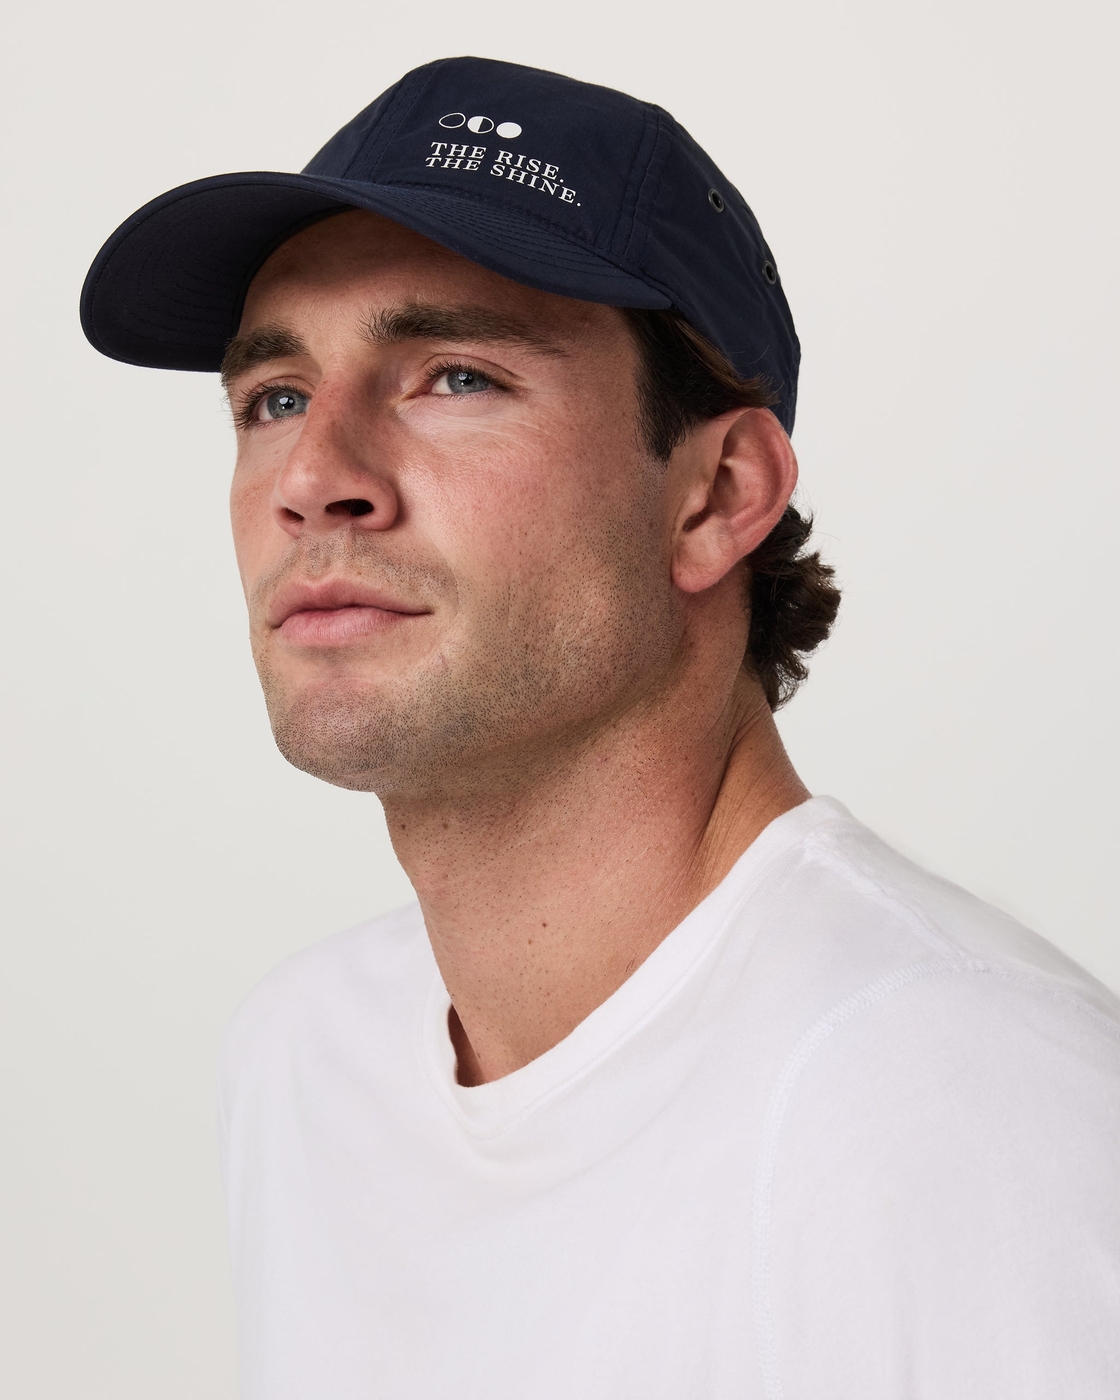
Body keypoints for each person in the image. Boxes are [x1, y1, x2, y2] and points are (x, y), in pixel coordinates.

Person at [81, 55, 1120, 1400]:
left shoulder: (955, 1105)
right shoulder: (304, 1061)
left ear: (717, 494)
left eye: (455, 377)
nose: (315, 477)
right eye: (275, 398)